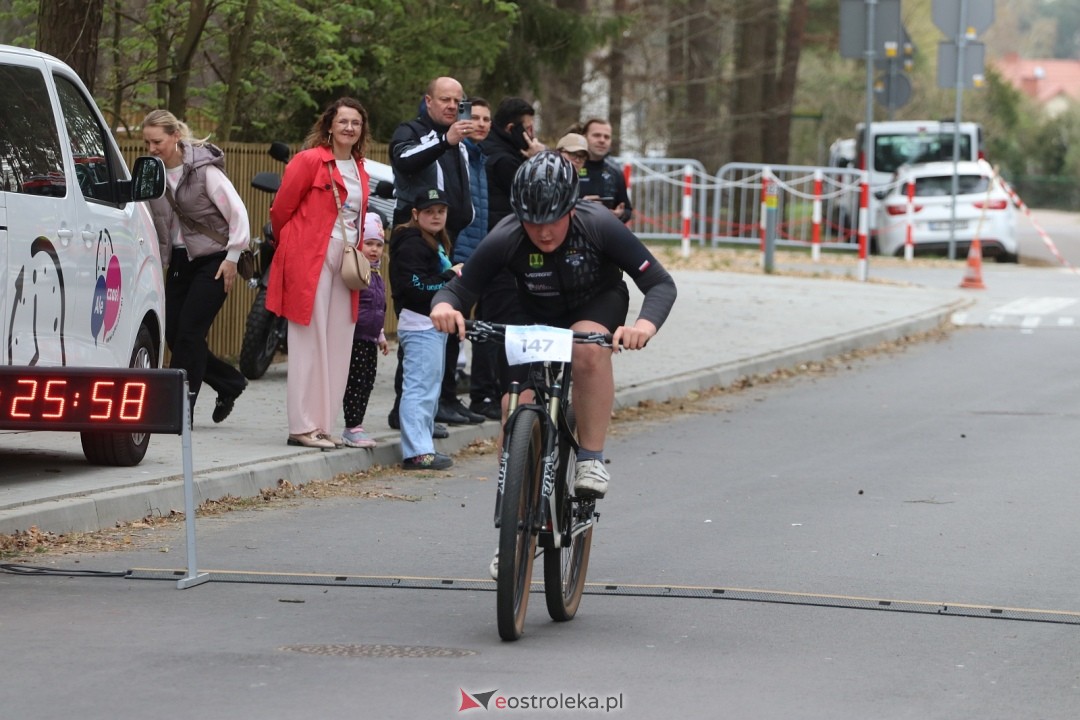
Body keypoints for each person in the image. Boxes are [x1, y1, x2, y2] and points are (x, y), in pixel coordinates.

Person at [431, 151, 676, 500]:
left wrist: (643, 327)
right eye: (532, 221)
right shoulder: (507, 235)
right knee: (511, 407)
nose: (543, 232)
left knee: (587, 349)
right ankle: (515, 529)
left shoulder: (599, 224)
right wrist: (444, 307)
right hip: (536, 312)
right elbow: (459, 288)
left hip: (597, 300)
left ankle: (590, 458)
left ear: (572, 209)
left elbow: (660, 283)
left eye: (553, 219)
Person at [266, 97, 371, 450]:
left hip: (344, 259)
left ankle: (323, 424)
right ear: (329, 125)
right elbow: (281, 209)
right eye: (343, 121)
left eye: (355, 123)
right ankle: (301, 426)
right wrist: (295, 244)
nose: (349, 128)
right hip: (310, 255)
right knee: (308, 339)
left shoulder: (360, 168)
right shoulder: (310, 160)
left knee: (339, 340)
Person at [141, 109, 249, 424]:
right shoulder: (153, 171)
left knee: (189, 332)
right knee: (175, 332)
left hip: (214, 259)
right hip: (179, 260)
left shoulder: (204, 171)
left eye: (157, 142)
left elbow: (238, 214)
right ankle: (230, 382)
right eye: (147, 142)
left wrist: (232, 259)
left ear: (176, 136)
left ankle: (178, 409)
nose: (151, 149)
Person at [388, 76, 483, 428]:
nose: (451, 107)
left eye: (457, 102)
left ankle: (442, 400)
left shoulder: (457, 138)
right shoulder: (413, 131)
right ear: (427, 100)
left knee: (448, 319)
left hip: (451, 238)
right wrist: (444, 141)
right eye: (444, 100)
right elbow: (404, 161)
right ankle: (405, 410)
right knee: (420, 319)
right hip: (417, 239)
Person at [390, 188, 460, 470]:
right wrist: (450, 276)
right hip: (419, 325)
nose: (436, 216)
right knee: (419, 388)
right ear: (416, 214)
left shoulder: (431, 241)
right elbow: (415, 287)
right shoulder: (411, 244)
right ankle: (417, 452)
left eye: (440, 211)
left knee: (429, 387)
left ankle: (422, 443)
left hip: (430, 324)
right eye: (429, 211)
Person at [450, 97, 501, 421]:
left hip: (477, 252)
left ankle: (458, 397)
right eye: (475, 117)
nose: (481, 123)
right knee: (452, 325)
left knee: (472, 325)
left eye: (486, 119)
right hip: (459, 253)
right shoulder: (459, 152)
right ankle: (447, 397)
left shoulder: (479, 156)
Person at [340, 212, 389, 448]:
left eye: (379, 245)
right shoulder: (357, 271)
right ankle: (352, 426)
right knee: (356, 381)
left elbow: (379, 307)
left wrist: (380, 335)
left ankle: (357, 424)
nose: (374, 250)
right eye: (369, 243)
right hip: (355, 337)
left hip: (370, 338)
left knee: (368, 381)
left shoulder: (378, 274)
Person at [579, 118, 633, 224]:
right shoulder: (570, 167)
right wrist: (581, 206)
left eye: (607, 137)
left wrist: (619, 214)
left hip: (604, 236)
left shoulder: (615, 171)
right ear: (584, 137)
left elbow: (627, 210)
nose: (602, 140)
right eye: (596, 135)